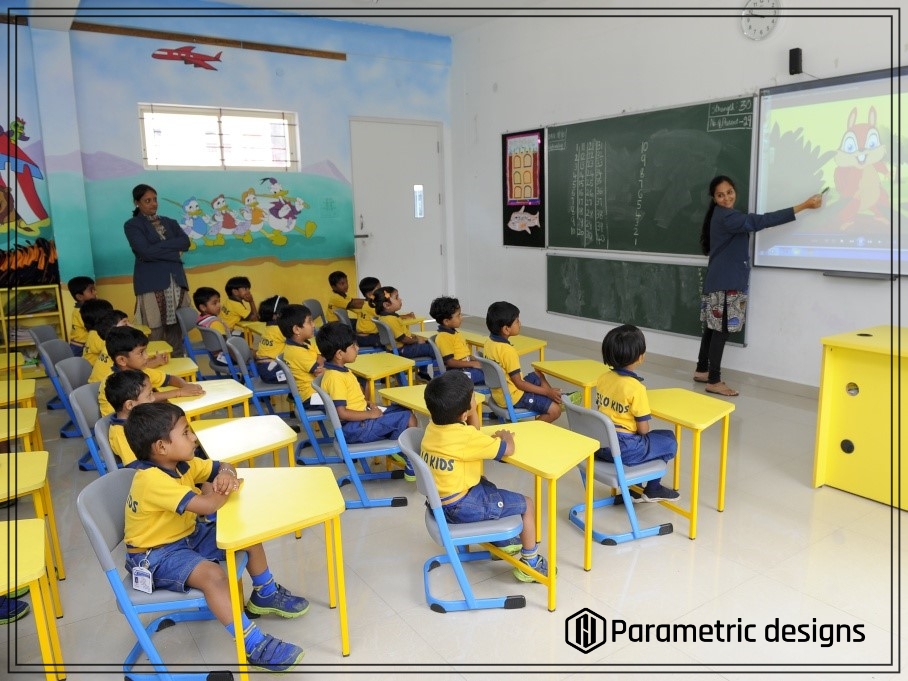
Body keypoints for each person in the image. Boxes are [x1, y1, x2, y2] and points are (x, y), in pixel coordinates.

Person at [123, 402, 308, 673]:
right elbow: (208, 506)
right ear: (162, 447)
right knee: (213, 576)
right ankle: (253, 645)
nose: (194, 437)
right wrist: (224, 491)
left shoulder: (183, 465)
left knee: (244, 533)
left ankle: (265, 593)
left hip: (187, 536)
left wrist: (226, 476)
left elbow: (223, 466)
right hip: (154, 555)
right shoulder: (151, 480)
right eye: (186, 433)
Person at [695, 175, 823, 396]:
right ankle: (714, 380)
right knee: (721, 330)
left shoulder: (720, 214)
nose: (726, 198)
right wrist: (804, 205)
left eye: (729, 192)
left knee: (712, 329)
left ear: (735, 191)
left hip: (719, 280)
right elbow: (762, 221)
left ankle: (702, 370)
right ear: (714, 199)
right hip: (727, 283)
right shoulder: (728, 217)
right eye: (720, 195)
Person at [422, 371, 549, 582]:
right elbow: (506, 449)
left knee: (488, 486)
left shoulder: (432, 427)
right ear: (464, 413)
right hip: (463, 506)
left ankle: (501, 541)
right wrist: (506, 437)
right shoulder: (464, 437)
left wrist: (467, 411)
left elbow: (473, 432)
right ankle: (531, 563)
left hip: (439, 505)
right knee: (527, 504)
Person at [315, 321, 417, 477]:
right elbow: (341, 413)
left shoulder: (339, 371)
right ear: (339, 354)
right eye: (353, 346)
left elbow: (349, 400)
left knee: (403, 409)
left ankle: (399, 450)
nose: (358, 348)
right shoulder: (335, 377)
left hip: (358, 422)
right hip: (355, 428)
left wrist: (366, 404)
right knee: (408, 417)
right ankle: (412, 463)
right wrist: (370, 414)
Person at [597, 324, 680, 503]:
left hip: (601, 445)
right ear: (640, 357)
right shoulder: (636, 388)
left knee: (654, 440)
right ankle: (653, 489)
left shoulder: (603, 378)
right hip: (624, 448)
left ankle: (632, 489)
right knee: (668, 441)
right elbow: (643, 430)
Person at [124, 184, 192, 356]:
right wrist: (173, 254)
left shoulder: (170, 222)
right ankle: (156, 374)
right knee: (155, 331)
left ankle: (180, 372)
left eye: (155, 199)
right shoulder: (133, 225)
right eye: (147, 200)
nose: (153, 204)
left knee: (177, 330)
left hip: (176, 282)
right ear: (137, 203)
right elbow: (144, 252)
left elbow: (185, 243)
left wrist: (157, 248)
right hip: (152, 283)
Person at [96, 326, 204, 416]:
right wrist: (178, 392)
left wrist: (184, 385)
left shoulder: (140, 371)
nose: (147, 356)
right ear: (122, 360)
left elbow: (170, 378)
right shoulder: (114, 384)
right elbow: (142, 402)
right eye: (141, 353)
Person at [483, 301, 561, 423]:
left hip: (498, 393)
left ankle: (552, 397)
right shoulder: (508, 351)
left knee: (538, 375)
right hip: (513, 397)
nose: (520, 324)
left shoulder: (488, 342)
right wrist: (546, 391)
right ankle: (530, 432)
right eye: (517, 321)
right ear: (506, 329)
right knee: (555, 411)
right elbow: (519, 384)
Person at [102, 369, 156, 466]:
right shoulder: (119, 433)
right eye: (149, 395)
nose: (153, 399)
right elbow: (135, 467)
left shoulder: (142, 417)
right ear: (130, 405)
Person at [429, 295, 484, 384]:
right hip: (457, 374)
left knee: (489, 369)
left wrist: (475, 360)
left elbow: (462, 355)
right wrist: (473, 364)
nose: (461, 317)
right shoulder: (444, 337)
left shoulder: (454, 333)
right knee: (489, 373)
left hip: (464, 369)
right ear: (446, 321)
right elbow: (450, 362)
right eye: (458, 315)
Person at [372, 286, 434, 364]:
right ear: (387, 305)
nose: (400, 299)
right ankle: (439, 374)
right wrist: (417, 340)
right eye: (397, 297)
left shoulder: (385, 317)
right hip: (403, 350)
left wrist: (416, 338)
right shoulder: (391, 319)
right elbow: (403, 339)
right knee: (433, 348)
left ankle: (423, 374)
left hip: (398, 349)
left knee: (427, 342)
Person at [193, 287, 232, 370]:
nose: (219, 305)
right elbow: (227, 342)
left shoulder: (201, 319)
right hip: (226, 358)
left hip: (216, 358)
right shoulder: (214, 323)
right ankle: (248, 379)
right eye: (214, 303)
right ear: (203, 307)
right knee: (251, 354)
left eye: (219, 301)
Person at [256, 295, 290, 382]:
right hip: (273, 371)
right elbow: (298, 341)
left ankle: (293, 395)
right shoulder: (280, 329)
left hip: (264, 369)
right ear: (275, 315)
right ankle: (297, 395)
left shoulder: (269, 327)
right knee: (303, 374)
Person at [67, 275, 97, 356]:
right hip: (79, 347)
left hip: (81, 345)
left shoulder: (84, 309)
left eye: (94, 289)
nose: (95, 292)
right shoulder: (80, 311)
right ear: (80, 297)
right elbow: (93, 326)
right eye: (91, 290)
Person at [78, 298, 114, 364]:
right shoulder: (96, 335)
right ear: (102, 319)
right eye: (111, 315)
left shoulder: (93, 332)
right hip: (91, 369)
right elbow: (112, 347)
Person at [355, 276, 382, 347]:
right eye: (379, 289)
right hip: (366, 338)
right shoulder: (371, 306)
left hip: (363, 337)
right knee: (391, 339)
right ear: (370, 295)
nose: (382, 291)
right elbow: (387, 316)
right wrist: (405, 316)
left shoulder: (367, 303)